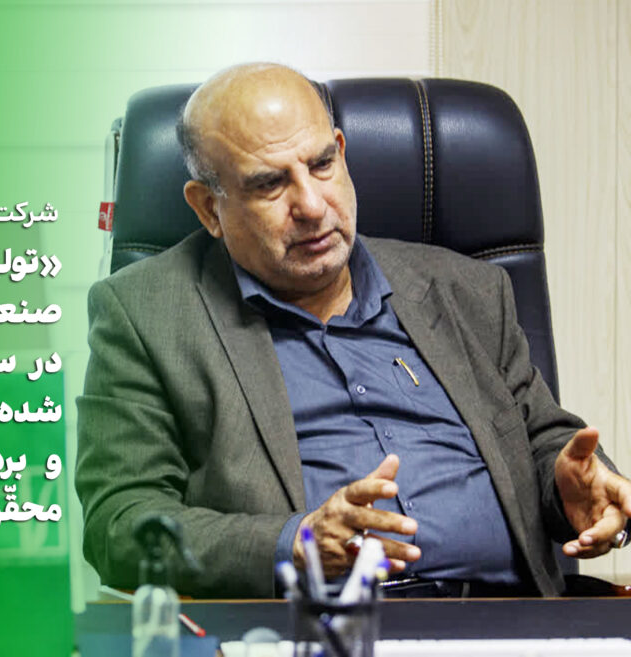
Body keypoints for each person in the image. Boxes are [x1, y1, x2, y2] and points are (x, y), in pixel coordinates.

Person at [75, 63, 631, 598]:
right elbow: (119, 523)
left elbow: (540, 440)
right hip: (318, 626)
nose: (312, 205)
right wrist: (294, 544)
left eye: (321, 165)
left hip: (509, 622)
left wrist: (572, 485)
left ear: (341, 152)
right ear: (208, 209)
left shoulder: (467, 289)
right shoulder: (147, 313)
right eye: (270, 184)